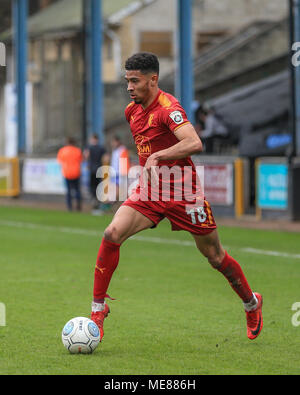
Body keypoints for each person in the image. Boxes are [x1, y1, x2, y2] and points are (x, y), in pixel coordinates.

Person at [90, 52, 263, 342]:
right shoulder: (131, 112)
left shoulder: (169, 109)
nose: (129, 87)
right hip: (151, 192)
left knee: (215, 257)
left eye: (135, 81)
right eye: (127, 81)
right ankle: (98, 309)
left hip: (184, 192)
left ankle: (251, 303)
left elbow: (194, 142)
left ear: (153, 80)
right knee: (112, 233)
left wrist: (159, 155)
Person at [57, 137, 83, 211]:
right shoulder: (77, 150)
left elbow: (59, 161)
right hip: (76, 172)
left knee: (68, 191)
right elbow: (81, 160)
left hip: (67, 173)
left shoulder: (62, 150)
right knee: (77, 190)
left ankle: (69, 207)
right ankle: (78, 206)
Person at [83, 134, 106, 210]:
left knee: (92, 186)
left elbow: (86, 156)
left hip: (92, 169)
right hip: (99, 169)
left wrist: (87, 164)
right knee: (98, 186)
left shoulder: (89, 147)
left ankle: (94, 201)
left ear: (92, 139)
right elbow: (105, 158)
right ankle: (98, 202)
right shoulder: (101, 148)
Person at [110, 135, 130, 202]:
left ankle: (113, 203)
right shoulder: (114, 150)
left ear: (118, 141)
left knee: (120, 189)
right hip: (114, 173)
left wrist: (124, 173)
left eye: (114, 142)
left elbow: (124, 162)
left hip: (120, 173)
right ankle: (115, 203)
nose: (113, 143)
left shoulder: (122, 150)